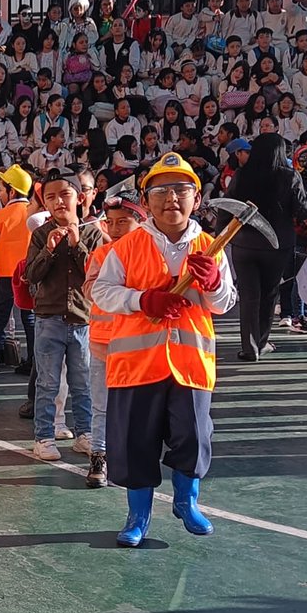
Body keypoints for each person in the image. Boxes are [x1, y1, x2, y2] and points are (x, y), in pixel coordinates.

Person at [91, 153, 237, 547]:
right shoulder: (127, 246)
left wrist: (212, 284)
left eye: (181, 189)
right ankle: (138, 515)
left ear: (197, 197)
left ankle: (186, 502)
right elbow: (101, 292)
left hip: (190, 365)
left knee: (192, 436)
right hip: (136, 364)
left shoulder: (212, 246)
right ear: (146, 198)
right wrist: (143, 301)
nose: (171, 198)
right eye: (160, 190)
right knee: (136, 441)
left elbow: (225, 303)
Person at [24, 168, 102, 461]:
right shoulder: (40, 234)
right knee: (48, 382)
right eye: (51, 197)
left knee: (84, 382)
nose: (58, 202)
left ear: (80, 198)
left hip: (83, 319)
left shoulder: (94, 233)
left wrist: (76, 244)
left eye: (65, 195)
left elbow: (98, 274)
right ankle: (44, 436)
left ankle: (85, 434)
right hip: (48, 319)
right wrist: (48, 250)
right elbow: (31, 275)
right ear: (44, 204)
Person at [227, 133, 307, 360]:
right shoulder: (290, 176)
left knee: (248, 295)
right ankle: (261, 342)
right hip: (278, 244)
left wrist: (222, 235)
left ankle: (248, 347)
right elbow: (301, 210)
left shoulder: (242, 174)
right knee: (268, 294)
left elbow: (228, 207)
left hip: (244, 244)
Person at [82, 192, 145, 489]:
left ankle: (129, 458)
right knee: (101, 405)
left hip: (138, 345)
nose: (116, 228)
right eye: (111, 223)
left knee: (135, 406)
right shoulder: (101, 255)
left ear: (141, 222)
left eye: (124, 222)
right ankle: (100, 456)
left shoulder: (148, 255)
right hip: (103, 343)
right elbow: (91, 290)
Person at [0, 165, 33, 375]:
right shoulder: (34, 212)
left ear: (12, 191)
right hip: (29, 272)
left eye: (1, 189)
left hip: (5, 273)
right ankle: (33, 362)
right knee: (29, 317)